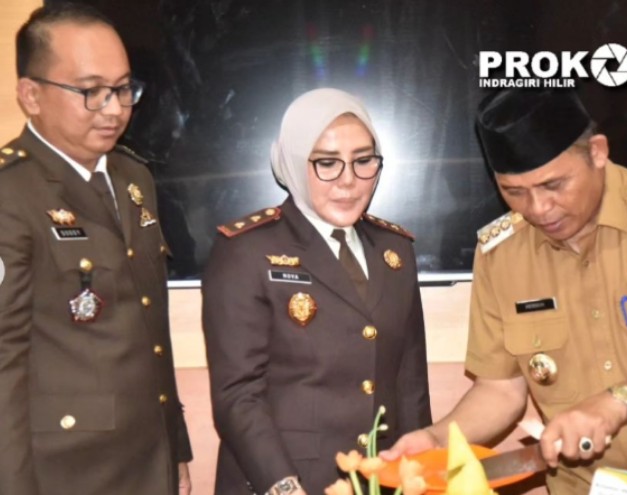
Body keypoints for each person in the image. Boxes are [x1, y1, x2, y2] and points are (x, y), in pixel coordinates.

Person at [381, 88, 627, 494]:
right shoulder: (500, 254)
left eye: (554, 185)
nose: (538, 208)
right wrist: (437, 440)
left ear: (598, 153)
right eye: (514, 192)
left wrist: (617, 403)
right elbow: (500, 390)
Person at [0, 4, 192, 494]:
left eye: (123, 89)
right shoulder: (11, 194)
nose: (114, 109)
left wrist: (175, 449)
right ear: (31, 95)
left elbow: (153, 331)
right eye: (91, 92)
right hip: (64, 473)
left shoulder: (134, 178)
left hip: (148, 461)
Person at [202, 88, 432, 495]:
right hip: (281, 482)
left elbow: (410, 385)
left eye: (364, 161)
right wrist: (284, 488)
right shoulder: (246, 250)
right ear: (293, 162)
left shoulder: (395, 250)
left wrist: (419, 479)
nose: (349, 180)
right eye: (327, 163)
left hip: (378, 479)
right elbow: (238, 395)